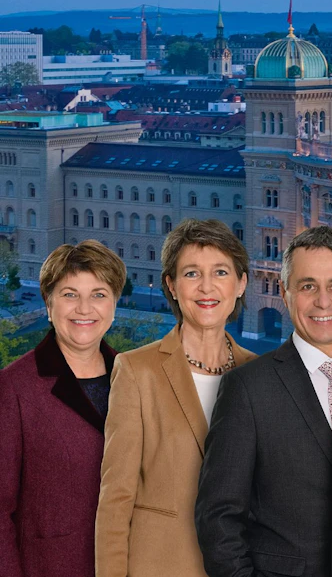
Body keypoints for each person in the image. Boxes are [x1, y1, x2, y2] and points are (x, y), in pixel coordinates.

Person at [196, 226, 332, 576]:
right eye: (307, 286)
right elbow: (218, 518)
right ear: (285, 292)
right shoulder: (247, 389)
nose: (323, 302)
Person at [95, 219, 256, 577]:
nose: (207, 287)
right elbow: (115, 499)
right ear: (171, 284)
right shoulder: (137, 371)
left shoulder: (260, 374)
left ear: (241, 283)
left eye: (220, 272)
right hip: (159, 565)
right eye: (191, 273)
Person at [0, 242, 124, 577]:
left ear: (114, 304)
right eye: (70, 294)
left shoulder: (136, 380)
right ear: (48, 303)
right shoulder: (12, 389)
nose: (85, 308)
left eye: (99, 294)